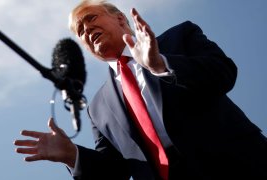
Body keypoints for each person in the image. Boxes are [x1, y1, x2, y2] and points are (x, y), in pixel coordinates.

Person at [14, 1, 267, 179]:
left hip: (239, 165)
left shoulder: (178, 37)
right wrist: (73, 156)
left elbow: (223, 73)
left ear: (120, 18)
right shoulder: (99, 108)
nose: (87, 30)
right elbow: (114, 172)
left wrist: (161, 65)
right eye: (80, 32)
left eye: (91, 19)